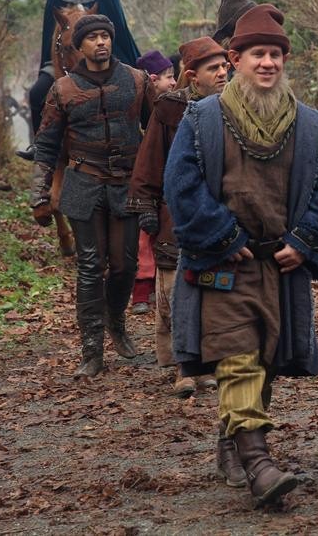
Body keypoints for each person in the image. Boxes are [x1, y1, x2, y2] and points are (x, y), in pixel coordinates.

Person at [164, 5, 318, 506]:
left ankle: (234, 439)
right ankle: (261, 464)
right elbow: (182, 187)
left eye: (276, 55)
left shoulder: (309, 125)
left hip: (279, 266)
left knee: (265, 361)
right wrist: (223, 236)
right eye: (257, 54)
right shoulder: (201, 119)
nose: (268, 63)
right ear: (235, 59)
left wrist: (304, 241)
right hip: (223, 265)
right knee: (237, 357)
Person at [30, 14, 149, 378]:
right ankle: (92, 349)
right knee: (90, 266)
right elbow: (47, 144)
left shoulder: (136, 80)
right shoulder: (63, 89)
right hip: (83, 184)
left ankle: (116, 320)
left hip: (125, 184)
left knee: (125, 264)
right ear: (79, 46)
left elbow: (156, 131)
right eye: (93, 37)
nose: (101, 42)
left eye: (105, 36)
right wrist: (39, 193)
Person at [128, 40, 227, 403]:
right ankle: (181, 366)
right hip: (175, 214)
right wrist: (147, 207)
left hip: (217, 213)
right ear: (192, 76)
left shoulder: (232, 107)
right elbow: (150, 158)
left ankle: (210, 361)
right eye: (213, 68)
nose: (221, 74)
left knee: (215, 288)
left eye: (224, 67)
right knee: (173, 293)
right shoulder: (170, 110)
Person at [17, 0, 141, 160]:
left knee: (133, 89)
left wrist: (124, 58)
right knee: (36, 94)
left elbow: (118, 28)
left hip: (103, 54)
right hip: (63, 57)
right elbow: (49, 33)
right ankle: (41, 147)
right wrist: (49, 61)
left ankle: (140, 137)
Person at [129, 51, 178, 318]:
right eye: (169, 77)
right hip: (145, 179)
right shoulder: (140, 104)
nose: (174, 82)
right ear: (153, 79)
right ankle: (141, 289)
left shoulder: (174, 105)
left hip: (167, 179)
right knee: (144, 237)